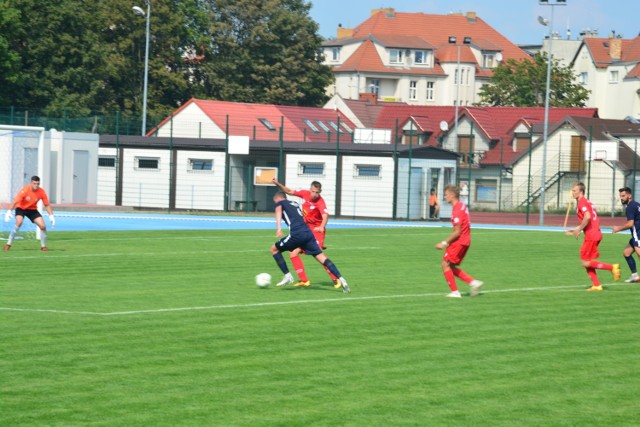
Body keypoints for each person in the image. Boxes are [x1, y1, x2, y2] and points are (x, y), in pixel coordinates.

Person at [269, 191, 350, 293]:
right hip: (308, 233)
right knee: (321, 257)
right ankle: (342, 279)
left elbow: (278, 212)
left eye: (275, 202)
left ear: (277, 199)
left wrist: (279, 228)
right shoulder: (294, 203)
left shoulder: (280, 203)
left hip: (297, 234)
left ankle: (287, 275)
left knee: (274, 249)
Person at [567, 182, 620, 291]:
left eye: (575, 190)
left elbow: (587, 217)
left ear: (581, 192)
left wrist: (579, 229)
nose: (573, 192)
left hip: (592, 235)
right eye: (572, 190)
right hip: (595, 233)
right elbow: (588, 219)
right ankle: (596, 285)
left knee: (585, 262)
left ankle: (612, 267)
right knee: (587, 261)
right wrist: (577, 229)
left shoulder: (582, 202)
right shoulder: (587, 202)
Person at [435, 184, 483, 298]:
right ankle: (473, 283)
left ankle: (455, 292)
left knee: (445, 264)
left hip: (459, 241)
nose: (445, 197)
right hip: (466, 241)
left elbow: (457, 232)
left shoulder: (457, 210)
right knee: (450, 266)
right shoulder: (462, 206)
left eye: (446, 195)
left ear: (452, 195)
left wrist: (444, 243)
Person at [4, 176, 55, 251]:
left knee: (43, 226)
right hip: (21, 208)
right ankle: (8, 244)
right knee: (19, 222)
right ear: (31, 183)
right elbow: (15, 201)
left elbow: (46, 205)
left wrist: (51, 216)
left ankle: (43, 246)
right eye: (34, 183)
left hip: (32, 210)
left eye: (38, 184)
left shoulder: (41, 191)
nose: (36, 185)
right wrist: (9, 211)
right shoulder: (25, 190)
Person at [612, 186, 640, 283]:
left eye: (623, 196)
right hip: (636, 235)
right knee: (626, 253)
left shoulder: (630, 207)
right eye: (621, 196)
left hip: (638, 234)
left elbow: (630, 224)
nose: (622, 198)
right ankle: (635, 276)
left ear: (629, 195)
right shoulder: (636, 204)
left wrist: (617, 229)